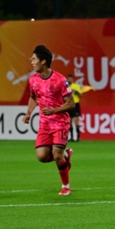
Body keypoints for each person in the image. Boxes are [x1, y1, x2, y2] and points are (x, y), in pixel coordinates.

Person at [24, 45, 76, 195]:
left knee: (56, 155)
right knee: (41, 156)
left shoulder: (60, 80)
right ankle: (66, 155)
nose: (32, 62)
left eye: (34, 59)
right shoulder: (33, 80)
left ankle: (66, 187)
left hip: (60, 123)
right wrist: (28, 113)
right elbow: (33, 97)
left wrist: (53, 111)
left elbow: (71, 104)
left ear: (43, 61)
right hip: (44, 124)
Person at [66, 74, 83, 142]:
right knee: (69, 121)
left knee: (76, 120)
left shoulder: (76, 86)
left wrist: (76, 92)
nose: (69, 80)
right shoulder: (66, 87)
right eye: (68, 79)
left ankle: (78, 137)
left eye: (70, 79)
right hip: (68, 104)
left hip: (75, 104)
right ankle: (72, 137)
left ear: (72, 79)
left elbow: (81, 95)